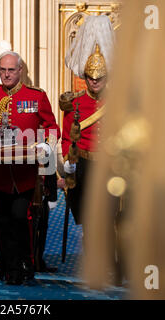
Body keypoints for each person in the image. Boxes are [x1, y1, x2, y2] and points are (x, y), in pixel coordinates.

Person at [0, 51, 60, 285]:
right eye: (3, 70)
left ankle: (25, 263)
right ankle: (7, 267)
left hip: (24, 175)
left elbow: (52, 127)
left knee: (21, 218)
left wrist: (45, 145)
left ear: (20, 70)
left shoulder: (36, 96)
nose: (7, 74)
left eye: (11, 70)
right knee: (1, 222)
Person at [60, 15, 115, 228]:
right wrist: (68, 161)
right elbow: (66, 137)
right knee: (88, 219)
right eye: (91, 77)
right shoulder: (74, 103)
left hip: (109, 166)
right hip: (83, 167)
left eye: (99, 77)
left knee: (108, 218)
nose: (94, 81)